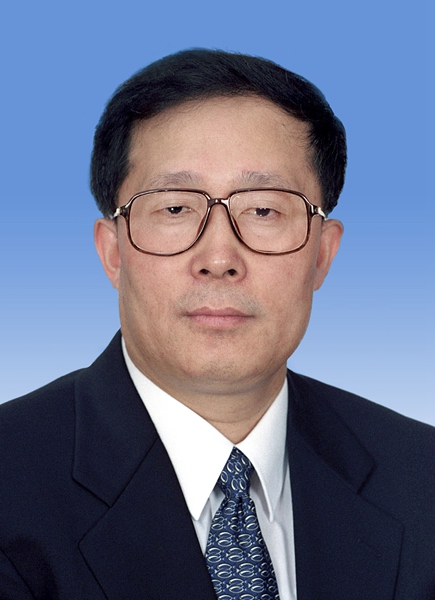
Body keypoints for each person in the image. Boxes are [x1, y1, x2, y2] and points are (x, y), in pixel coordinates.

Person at [0, 49, 434, 600]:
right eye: (175, 209)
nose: (220, 258)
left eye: (264, 210)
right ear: (112, 253)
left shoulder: (421, 477)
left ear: (323, 255)